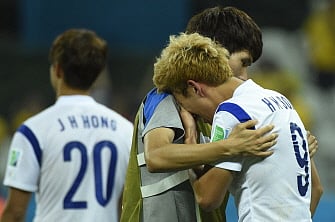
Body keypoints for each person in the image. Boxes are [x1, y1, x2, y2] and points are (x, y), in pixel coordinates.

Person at [121, 6, 321, 222]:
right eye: (243, 63)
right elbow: (156, 155)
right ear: (214, 52)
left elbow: (207, 196)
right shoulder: (169, 97)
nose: (245, 76)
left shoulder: (237, 110)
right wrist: (229, 147)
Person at [0, 29, 133, 222]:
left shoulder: (33, 131)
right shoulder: (125, 130)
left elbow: (15, 213)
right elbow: (126, 206)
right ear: (96, 76)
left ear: (58, 70)